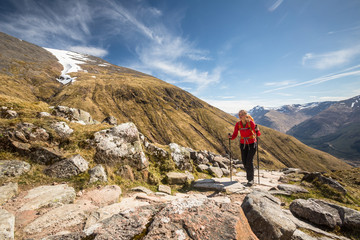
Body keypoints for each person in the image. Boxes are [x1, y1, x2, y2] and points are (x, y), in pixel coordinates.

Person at [228, 110, 261, 186]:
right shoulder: (238, 124)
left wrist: (257, 130)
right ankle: (250, 176)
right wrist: (230, 137)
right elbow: (235, 134)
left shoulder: (251, 123)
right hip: (243, 144)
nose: (240, 116)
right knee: (244, 162)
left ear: (246, 115)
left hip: (252, 143)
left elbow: (258, 134)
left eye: (242, 114)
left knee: (249, 161)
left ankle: (250, 179)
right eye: (239, 114)